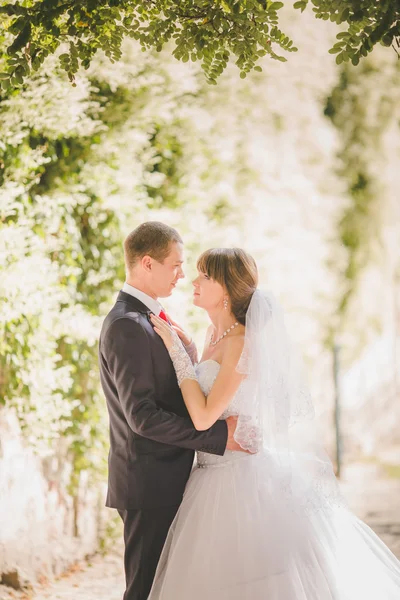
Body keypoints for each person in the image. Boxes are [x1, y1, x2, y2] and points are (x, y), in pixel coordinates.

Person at [149, 246, 400, 599]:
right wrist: (189, 350)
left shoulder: (238, 342)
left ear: (226, 288)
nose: (194, 281)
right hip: (207, 473)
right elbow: (206, 389)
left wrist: (177, 355)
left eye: (205, 276)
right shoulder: (210, 335)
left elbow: (204, 416)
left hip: (238, 478)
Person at [98, 223, 243, 600]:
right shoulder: (127, 325)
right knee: (146, 590)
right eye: (176, 265)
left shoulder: (151, 318)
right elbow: (142, 416)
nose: (183, 274)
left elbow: (167, 391)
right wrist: (218, 437)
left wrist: (190, 357)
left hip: (170, 478)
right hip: (149, 484)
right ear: (147, 263)